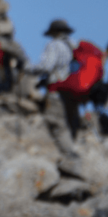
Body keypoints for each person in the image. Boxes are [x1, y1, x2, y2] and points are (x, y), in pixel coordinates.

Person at [35, 19, 81, 151]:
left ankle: (69, 154)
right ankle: (74, 146)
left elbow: (46, 66)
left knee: (56, 123)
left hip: (57, 88)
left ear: (53, 32)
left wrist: (28, 68)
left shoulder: (53, 45)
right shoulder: (75, 45)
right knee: (71, 120)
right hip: (74, 89)